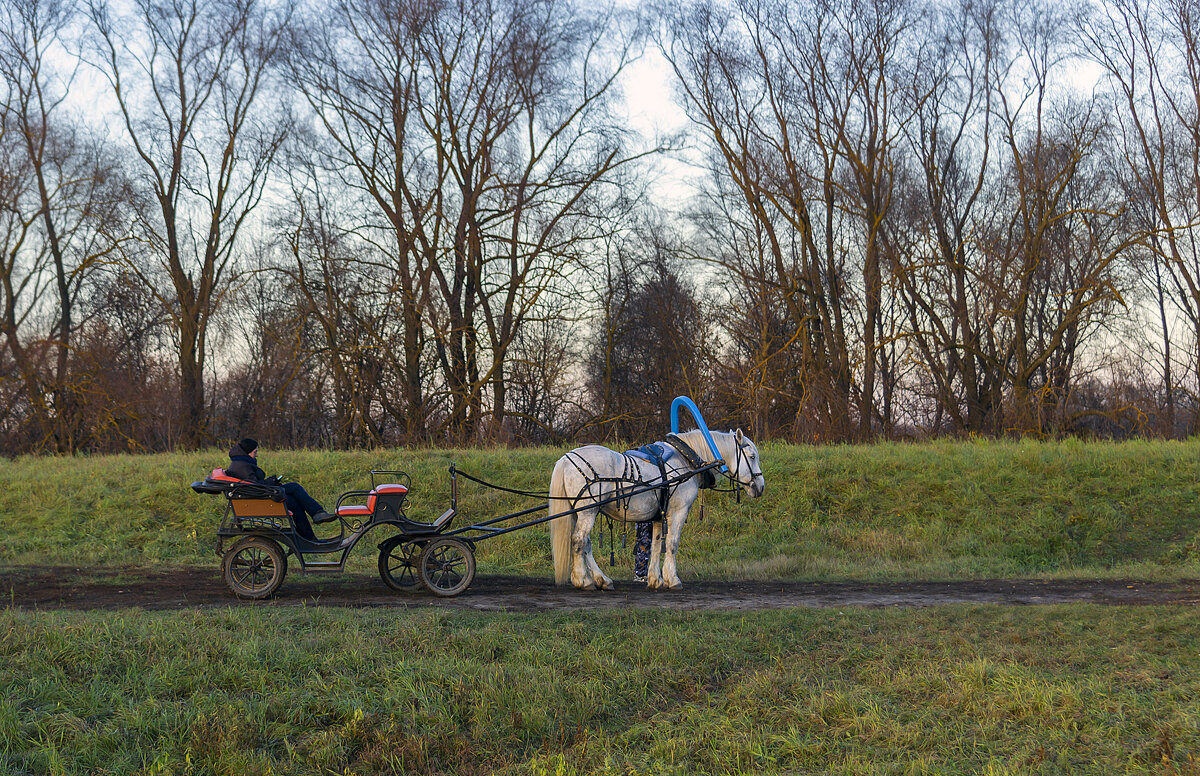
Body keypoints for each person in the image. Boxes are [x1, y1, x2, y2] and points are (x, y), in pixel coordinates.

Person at [227, 438, 334, 542]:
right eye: (255, 452)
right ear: (247, 452)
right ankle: (315, 518)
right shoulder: (241, 466)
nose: (257, 455)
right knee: (294, 488)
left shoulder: (240, 463)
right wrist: (271, 481)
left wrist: (271, 482)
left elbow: (252, 484)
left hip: (259, 496)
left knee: (293, 498)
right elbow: (254, 487)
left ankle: (310, 532)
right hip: (259, 500)